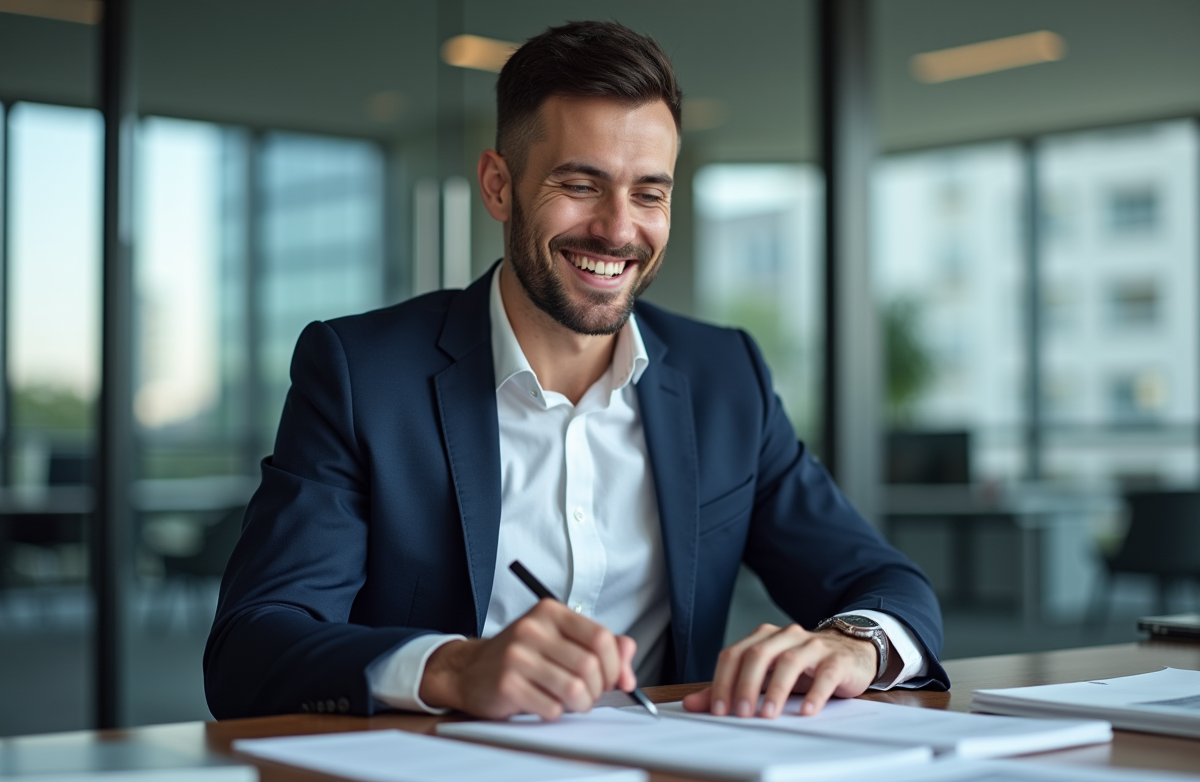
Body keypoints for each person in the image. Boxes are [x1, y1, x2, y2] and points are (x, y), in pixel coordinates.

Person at [204, 20, 948, 724]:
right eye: (581, 184)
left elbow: (885, 585)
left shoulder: (726, 377)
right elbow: (251, 644)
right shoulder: (363, 374)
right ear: (498, 186)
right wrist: (452, 669)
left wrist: (855, 643)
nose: (620, 230)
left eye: (649, 193)